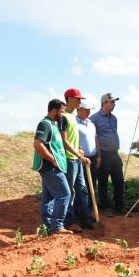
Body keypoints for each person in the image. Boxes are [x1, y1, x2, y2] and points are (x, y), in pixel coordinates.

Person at [32, 99, 73, 235]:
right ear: (54, 110)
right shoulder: (45, 125)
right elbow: (38, 144)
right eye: (61, 112)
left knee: (49, 198)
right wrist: (52, 159)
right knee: (64, 195)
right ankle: (56, 226)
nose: (63, 115)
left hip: (53, 167)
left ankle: (48, 226)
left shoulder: (54, 125)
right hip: (50, 167)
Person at [59, 88, 93, 231]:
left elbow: (73, 139)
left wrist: (79, 148)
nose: (80, 101)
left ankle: (85, 220)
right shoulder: (63, 117)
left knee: (82, 189)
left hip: (76, 159)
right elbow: (64, 141)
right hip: (69, 159)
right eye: (78, 99)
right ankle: (68, 222)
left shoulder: (73, 117)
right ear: (70, 99)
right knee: (70, 192)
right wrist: (80, 156)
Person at [90, 93, 125, 215]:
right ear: (104, 103)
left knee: (119, 180)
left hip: (114, 153)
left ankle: (119, 206)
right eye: (112, 102)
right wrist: (98, 156)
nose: (114, 104)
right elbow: (94, 138)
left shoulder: (114, 118)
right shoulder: (94, 118)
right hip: (103, 154)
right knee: (103, 182)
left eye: (114, 102)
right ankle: (104, 207)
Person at [76, 101, 98, 224]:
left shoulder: (91, 124)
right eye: (86, 110)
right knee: (81, 188)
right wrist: (80, 155)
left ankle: (89, 213)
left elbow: (95, 139)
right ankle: (80, 215)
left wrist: (98, 155)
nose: (89, 112)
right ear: (79, 109)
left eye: (90, 110)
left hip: (92, 158)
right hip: (80, 159)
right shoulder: (74, 123)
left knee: (91, 187)